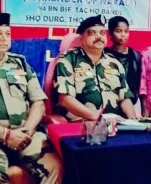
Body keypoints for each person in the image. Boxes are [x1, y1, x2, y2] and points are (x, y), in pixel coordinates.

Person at [0, 13, 62, 183]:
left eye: (7, 34)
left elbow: (38, 103)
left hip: (24, 133)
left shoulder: (19, 63)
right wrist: (6, 135)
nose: (5, 39)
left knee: (54, 165)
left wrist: (26, 132)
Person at [54, 14, 136, 121]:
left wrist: (133, 121)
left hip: (115, 124)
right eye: (92, 33)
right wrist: (96, 117)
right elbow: (64, 99)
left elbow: (124, 98)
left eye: (102, 33)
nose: (99, 37)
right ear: (81, 38)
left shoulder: (114, 62)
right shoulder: (68, 60)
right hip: (80, 125)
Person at [105, 16, 142, 107]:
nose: (123, 34)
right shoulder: (104, 54)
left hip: (131, 103)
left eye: (126, 31)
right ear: (110, 33)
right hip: (110, 103)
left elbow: (140, 82)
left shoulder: (135, 55)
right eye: (119, 31)